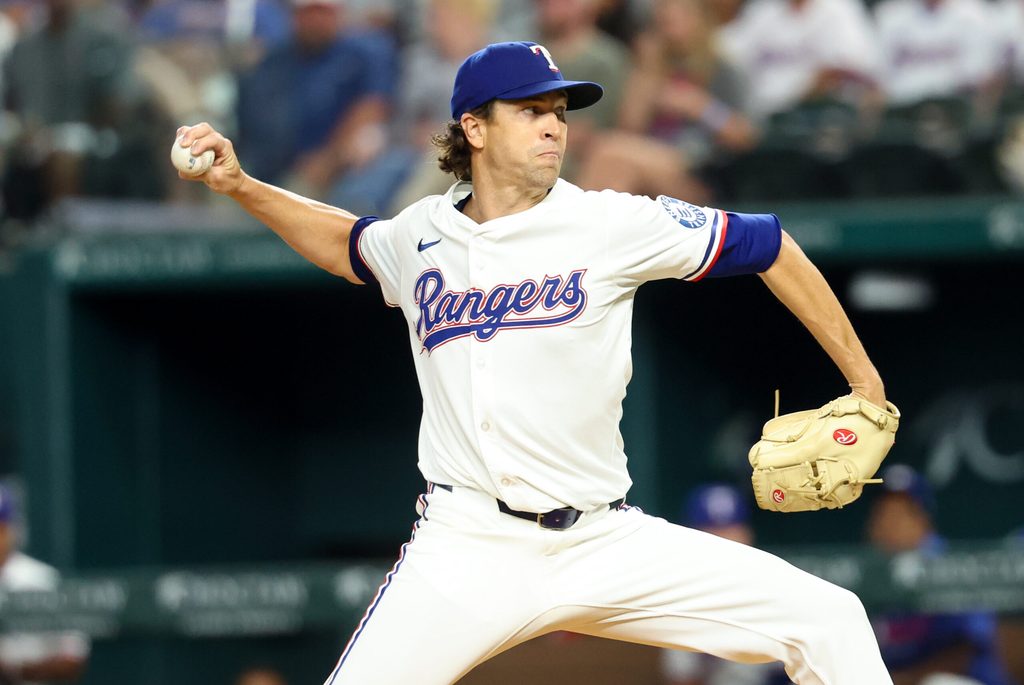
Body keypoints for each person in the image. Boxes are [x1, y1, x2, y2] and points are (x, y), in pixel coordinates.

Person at [175, 40, 894, 684]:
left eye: (559, 110)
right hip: (467, 545)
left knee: (831, 619)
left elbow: (769, 245)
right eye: (530, 110)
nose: (554, 124)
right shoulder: (421, 234)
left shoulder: (610, 222)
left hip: (604, 537)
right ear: (475, 128)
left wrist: (865, 381)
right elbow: (347, 243)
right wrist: (241, 185)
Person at [577, 0, 756, 204]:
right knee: (618, 170)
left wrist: (699, 106)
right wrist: (647, 72)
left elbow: (745, 136)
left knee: (609, 150)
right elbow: (629, 128)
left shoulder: (722, 69)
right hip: (649, 162)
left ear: (699, 21)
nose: (669, 30)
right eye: (663, 23)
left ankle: (578, 230)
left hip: (699, 174)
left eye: (676, 20)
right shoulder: (652, 68)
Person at [233, 0, 397, 204]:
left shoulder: (364, 52)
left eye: (323, 12)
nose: (315, 21)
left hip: (339, 167)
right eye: (308, 13)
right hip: (275, 165)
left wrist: (329, 160)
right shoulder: (276, 59)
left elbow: (373, 107)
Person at [866, 465, 1012, 685]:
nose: (889, 523)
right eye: (883, 513)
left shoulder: (951, 566)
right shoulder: (866, 569)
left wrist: (905, 680)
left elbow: (967, 648)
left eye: (902, 513)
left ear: (924, 520)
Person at [660, 484, 787, 685]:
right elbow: (682, 677)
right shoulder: (682, 598)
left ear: (748, 534)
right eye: (713, 531)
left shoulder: (780, 587)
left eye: (731, 529)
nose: (725, 539)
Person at [0, 484, 90, 685]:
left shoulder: (40, 580)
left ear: (11, 529)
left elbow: (73, 658)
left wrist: (15, 670)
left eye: (0, 528)